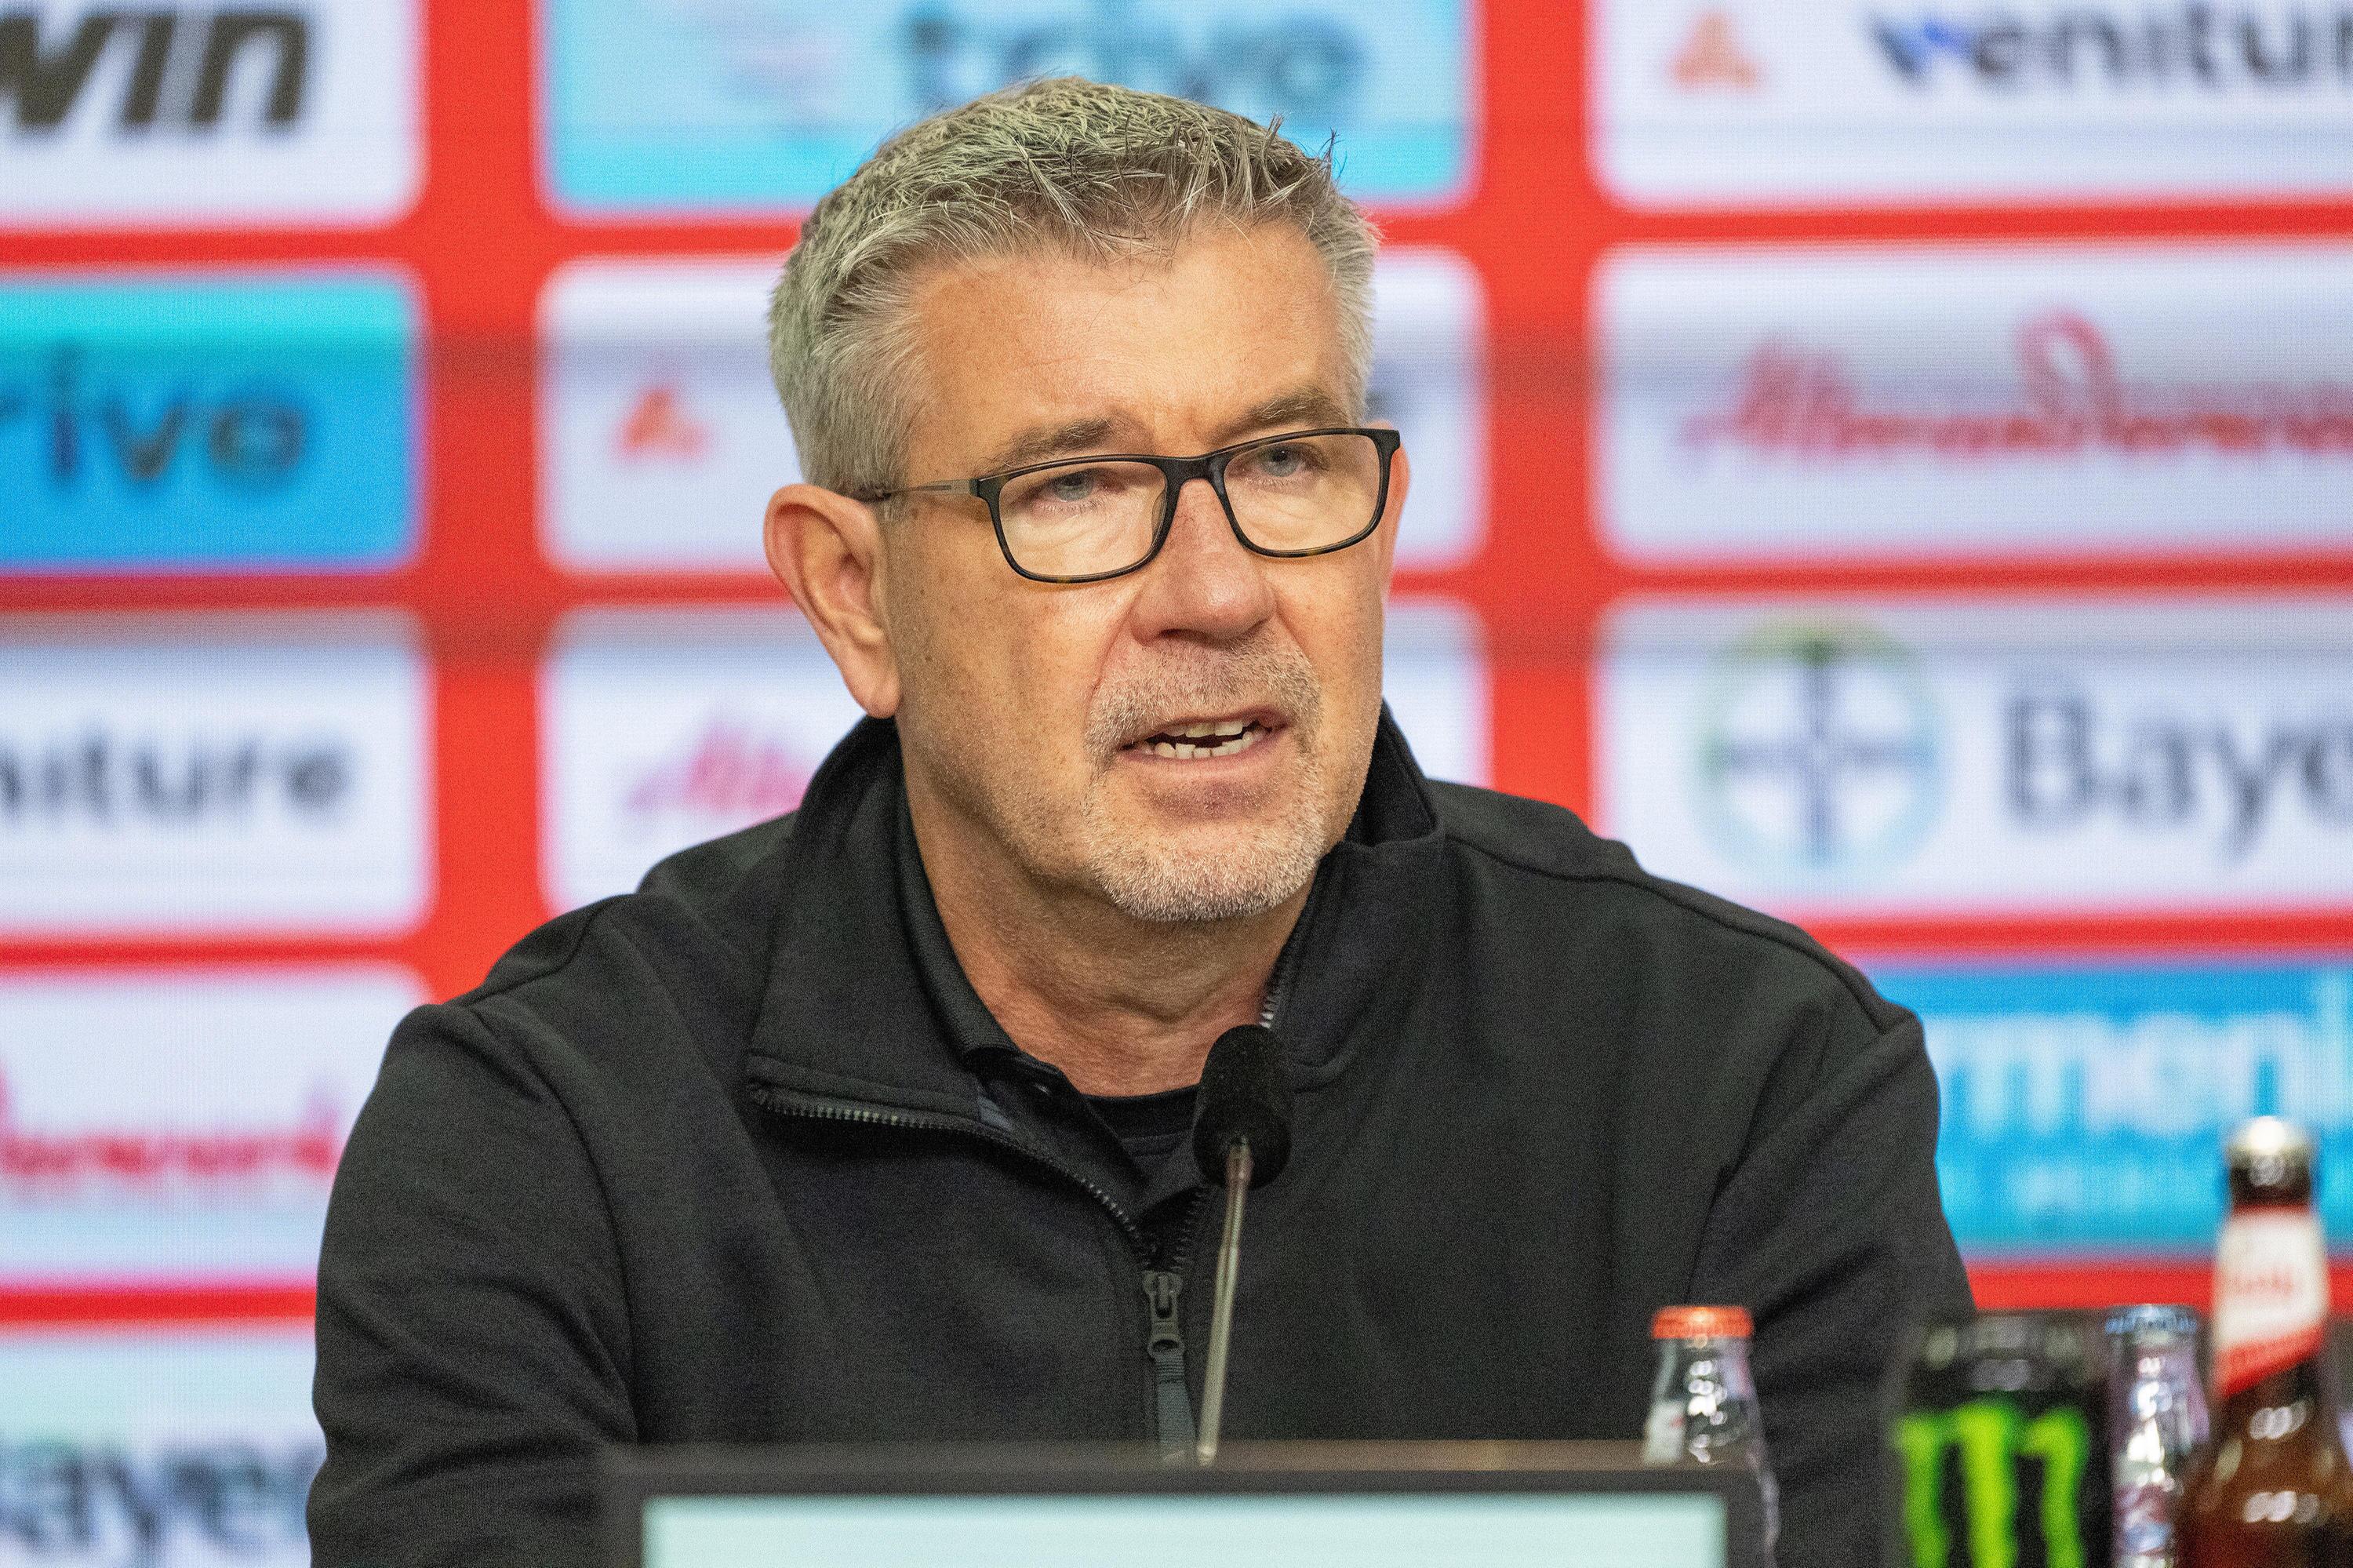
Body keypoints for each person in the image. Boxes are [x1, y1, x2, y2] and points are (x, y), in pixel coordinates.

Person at [308, 77, 1972, 1566]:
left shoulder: (1739, 1079)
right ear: (855, 593)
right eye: (1076, 490)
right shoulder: (552, 1132)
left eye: (1286, 463)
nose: (1220, 592)